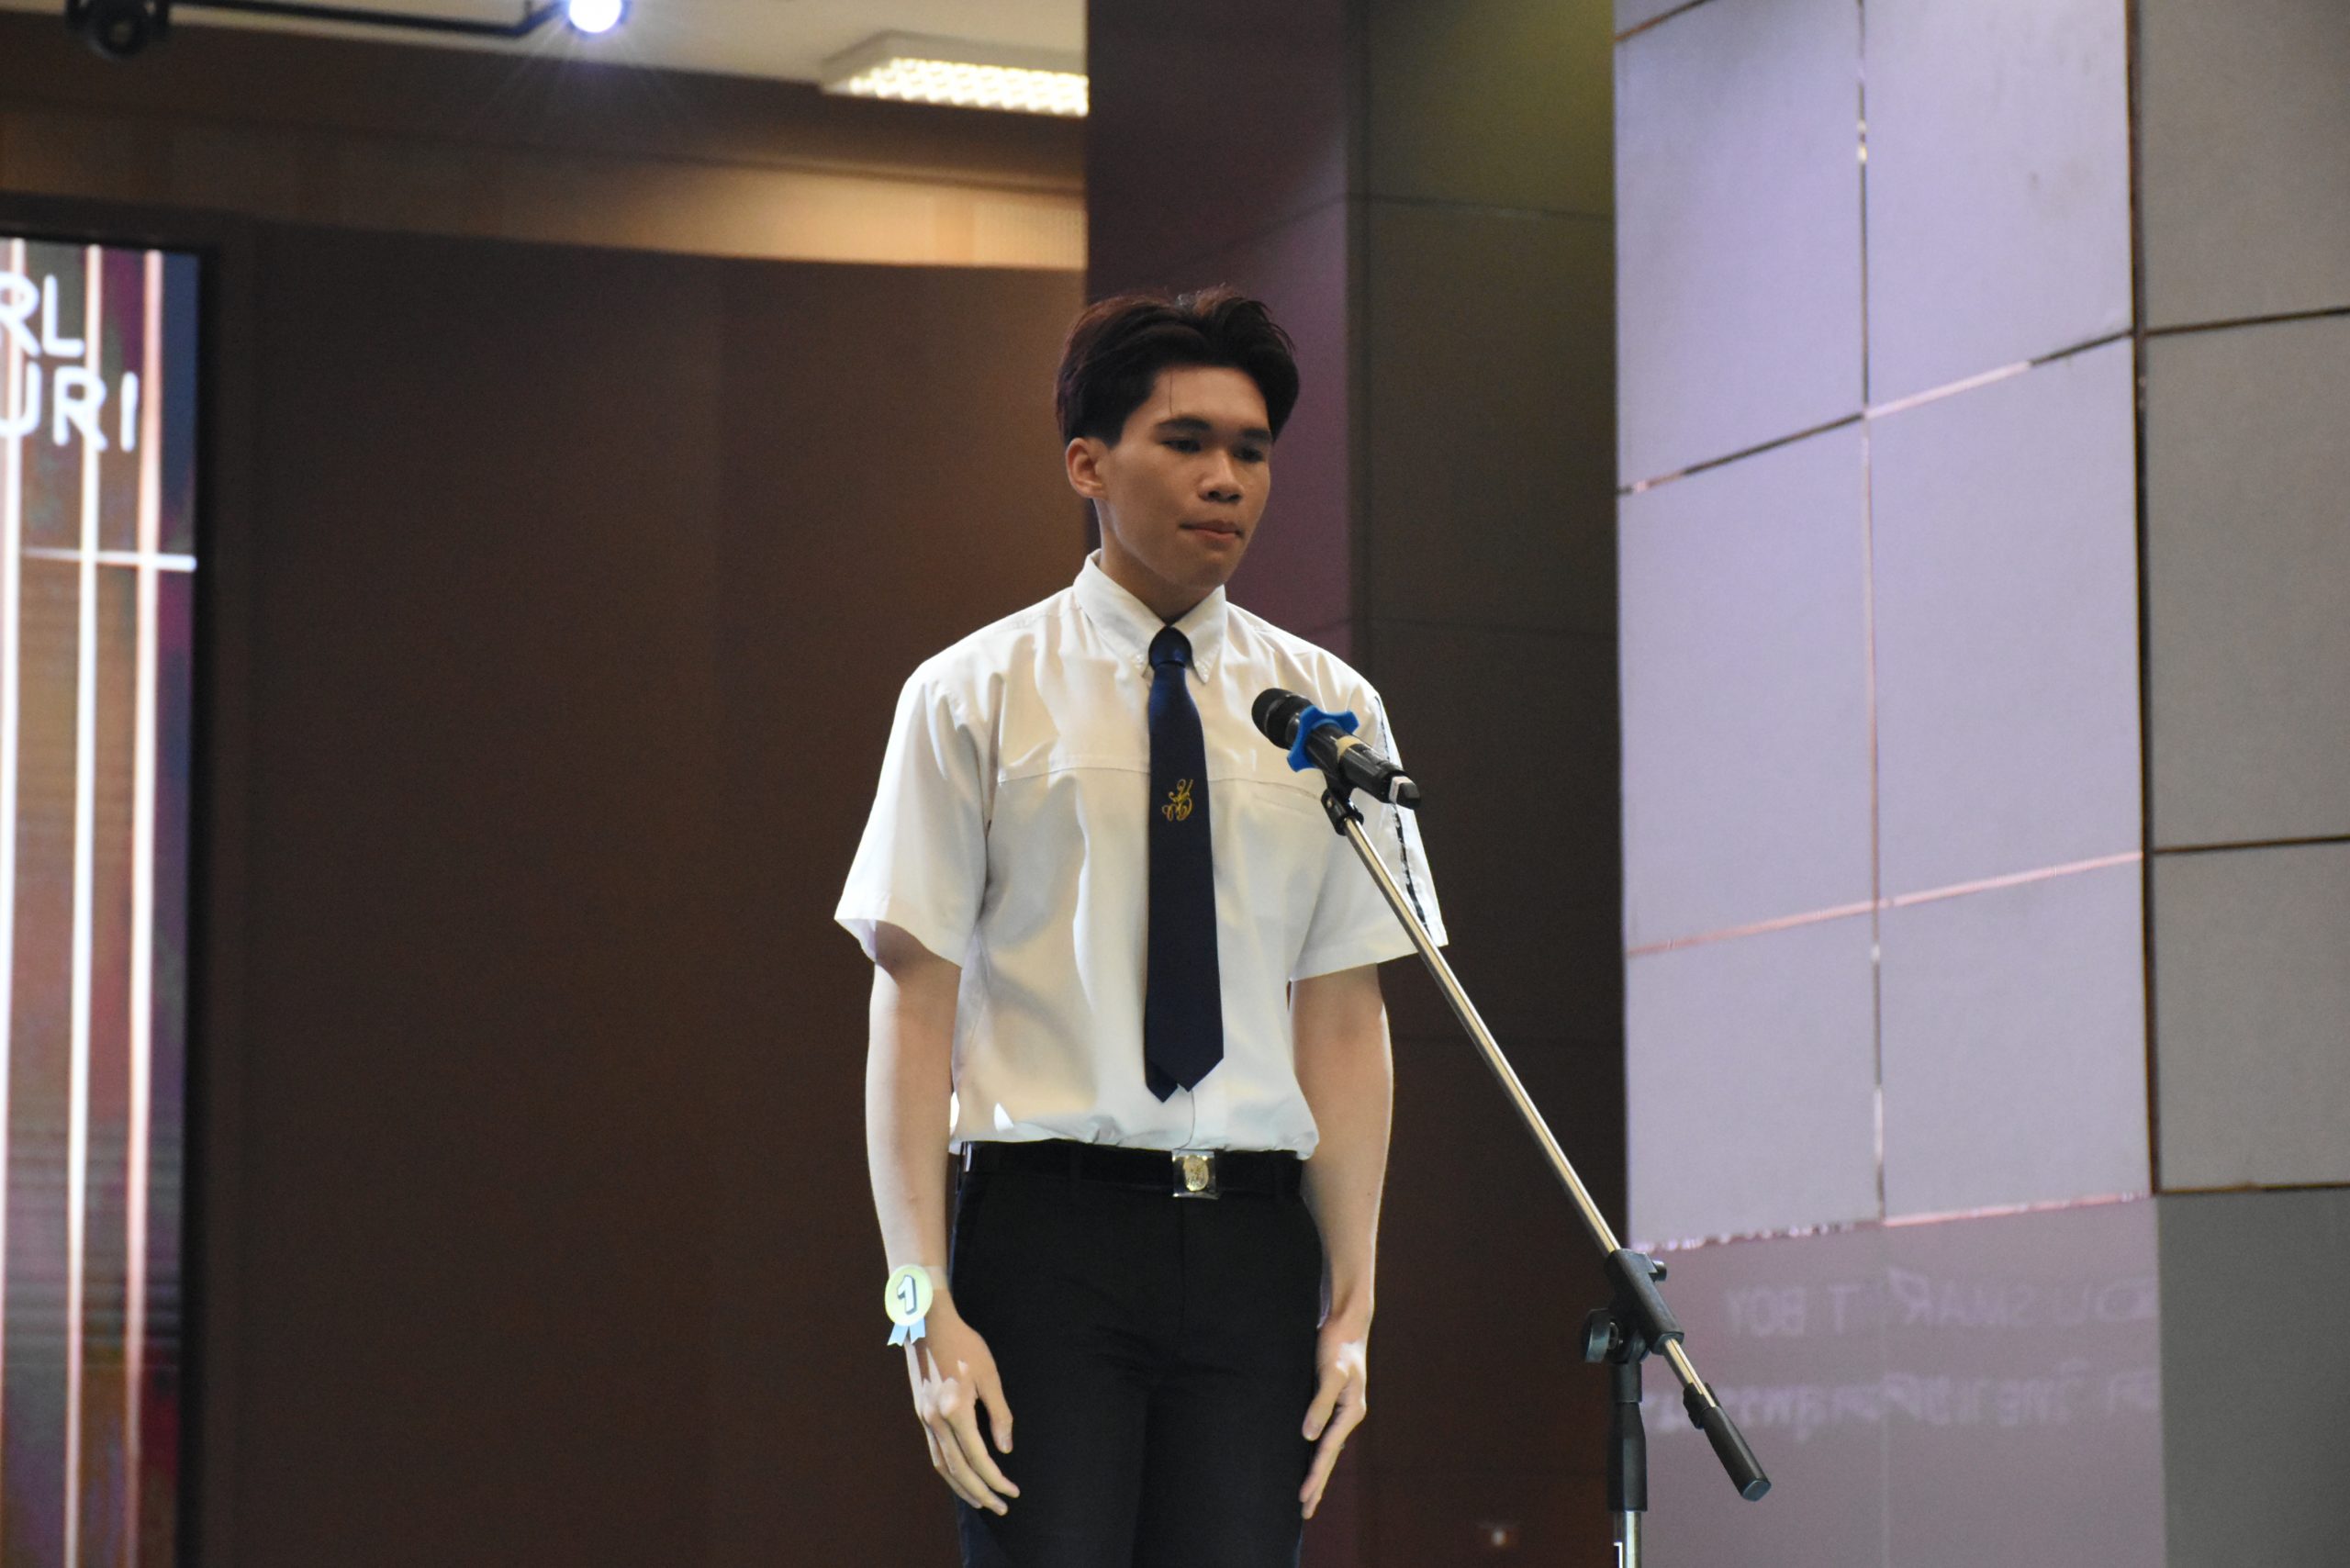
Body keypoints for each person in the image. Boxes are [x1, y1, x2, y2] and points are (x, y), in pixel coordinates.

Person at [838, 286, 1444, 1567]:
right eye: (1187, 442)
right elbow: (912, 1003)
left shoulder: (1329, 712)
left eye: (1253, 451)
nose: (1226, 478)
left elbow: (1344, 1014)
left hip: (1253, 1241)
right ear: (1088, 464)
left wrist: (1352, 1301)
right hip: (1046, 1234)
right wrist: (918, 1305)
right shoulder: (970, 693)